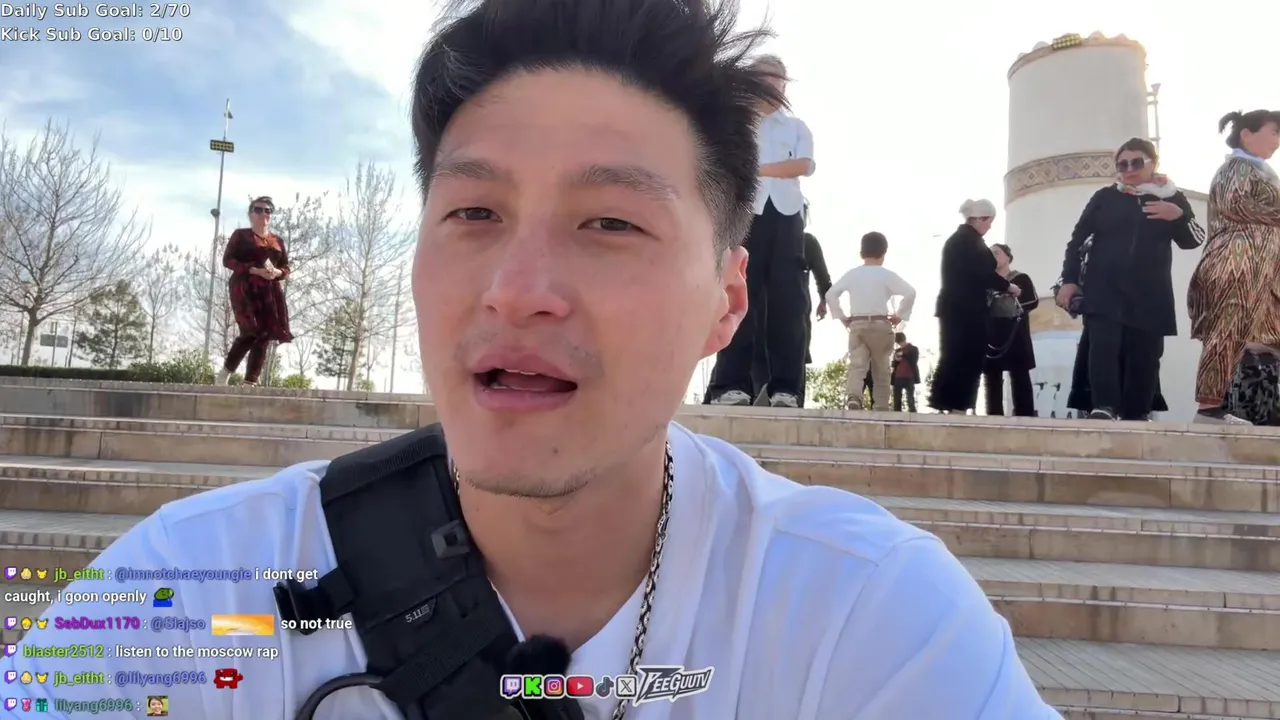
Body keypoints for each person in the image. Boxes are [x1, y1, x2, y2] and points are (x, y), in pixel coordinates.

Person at [0, 1, 1060, 718]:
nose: (517, 288)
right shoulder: (191, 585)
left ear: (726, 301)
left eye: (610, 223)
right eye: (472, 212)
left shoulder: (865, 621)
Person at [1055, 138, 1204, 421]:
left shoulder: (1172, 197)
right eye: (1122, 164)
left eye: (1137, 162)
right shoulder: (1105, 197)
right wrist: (1069, 280)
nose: (1129, 169)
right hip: (1104, 289)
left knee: (1145, 355)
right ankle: (1104, 407)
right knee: (1103, 348)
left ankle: (1136, 413)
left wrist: (1178, 216)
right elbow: (1077, 241)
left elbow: (1194, 239)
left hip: (1150, 294)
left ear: (1153, 163)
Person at [704, 54, 815, 409]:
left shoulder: (795, 127)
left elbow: (804, 165)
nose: (771, 84)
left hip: (786, 214)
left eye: (777, 78)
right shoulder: (734, 123)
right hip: (744, 214)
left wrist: (758, 170)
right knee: (737, 295)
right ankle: (731, 385)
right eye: (763, 77)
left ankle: (787, 389)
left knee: (788, 302)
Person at [1188, 109, 1280, 425]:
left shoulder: (1263, 171)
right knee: (1228, 329)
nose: (1277, 140)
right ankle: (1209, 407)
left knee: (1264, 334)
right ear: (1247, 134)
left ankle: (1262, 408)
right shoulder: (1237, 168)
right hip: (1236, 260)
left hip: (1262, 265)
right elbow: (1236, 204)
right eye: (1274, 132)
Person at [929, 200, 1019, 413]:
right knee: (968, 355)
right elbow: (983, 274)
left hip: (954, 307)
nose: (989, 226)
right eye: (989, 221)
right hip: (968, 309)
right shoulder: (970, 242)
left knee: (953, 353)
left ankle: (946, 402)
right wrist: (1008, 286)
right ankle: (958, 404)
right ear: (980, 219)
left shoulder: (958, 240)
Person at [826, 232, 916, 411]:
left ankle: (854, 397)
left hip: (858, 323)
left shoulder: (853, 274)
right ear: (884, 253)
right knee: (881, 367)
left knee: (857, 365)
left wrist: (842, 317)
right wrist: (900, 314)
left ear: (861, 252)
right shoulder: (886, 275)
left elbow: (830, 294)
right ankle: (881, 404)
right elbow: (910, 292)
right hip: (880, 324)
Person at [215, 196, 293, 386]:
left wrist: (277, 273)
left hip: (269, 292)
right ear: (250, 214)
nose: (263, 213)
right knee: (251, 330)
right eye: (258, 209)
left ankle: (250, 381)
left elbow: (286, 268)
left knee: (265, 334)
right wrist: (254, 270)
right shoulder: (240, 235)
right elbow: (228, 260)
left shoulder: (278, 241)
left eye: (267, 210)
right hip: (245, 288)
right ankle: (225, 373)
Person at [982, 244, 1038, 417]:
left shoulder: (1021, 278)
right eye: (990, 253)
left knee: (1019, 373)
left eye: (997, 252)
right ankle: (994, 416)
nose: (994, 256)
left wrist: (1015, 296)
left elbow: (1032, 301)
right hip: (992, 331)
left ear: (1008, 256)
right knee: (992, 375)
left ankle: (1025, 415)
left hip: (1015, 331)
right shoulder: (986, 282)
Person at [891, 332, 920, 412]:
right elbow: (894, 364)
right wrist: (896, 359)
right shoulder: (897, 350)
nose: (900, 344)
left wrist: (903, 354)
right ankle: (897, 413)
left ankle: (912, 413)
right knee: (897, 399)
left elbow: (914, 360)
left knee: (910, 398)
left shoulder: (913, 349)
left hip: (909, 376)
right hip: (898, 376)